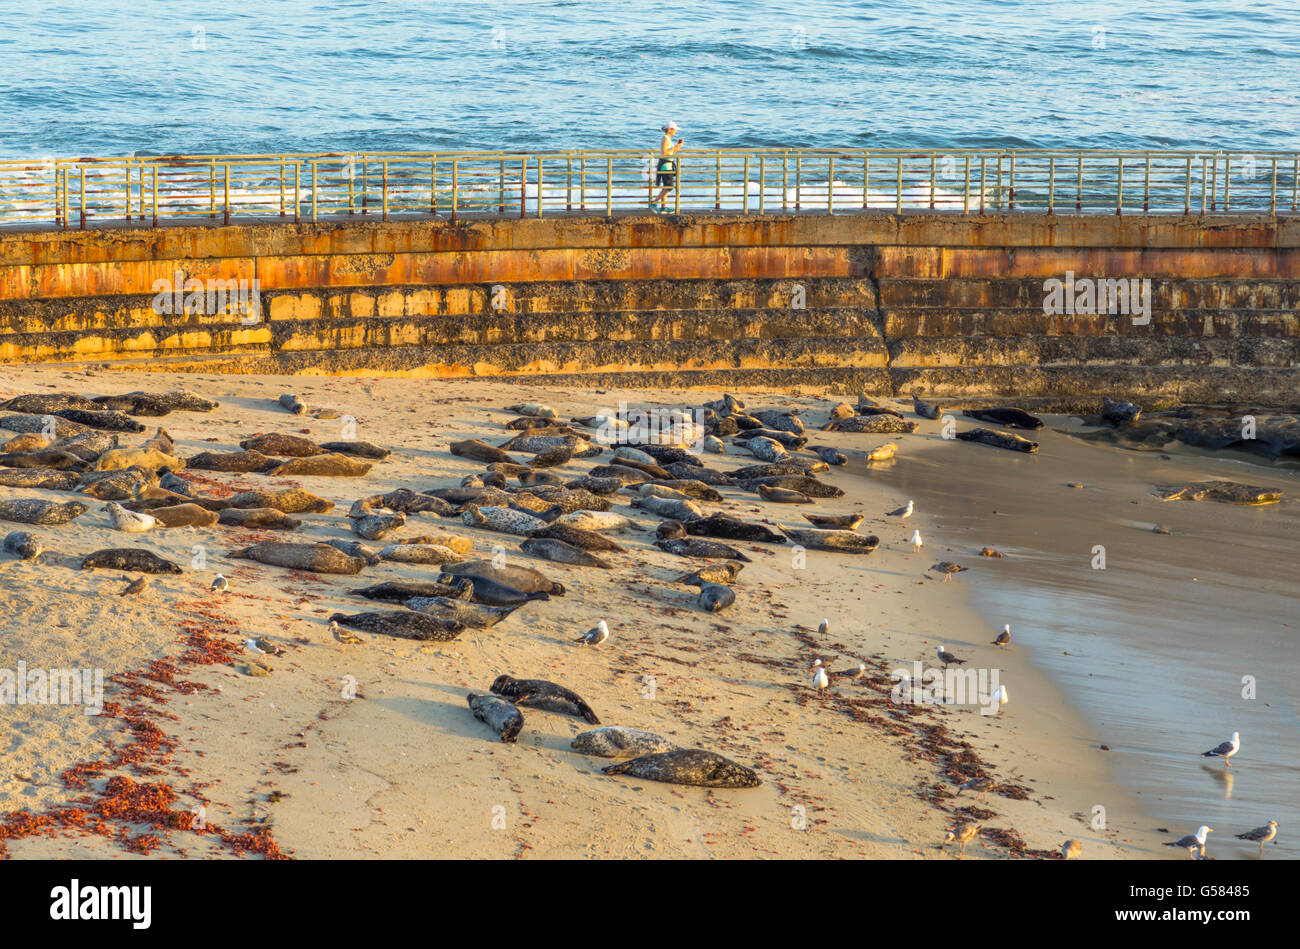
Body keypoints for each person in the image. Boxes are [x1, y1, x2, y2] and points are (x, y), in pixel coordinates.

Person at [652, 121, 684, 212]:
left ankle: (663, 207)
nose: (675, 132)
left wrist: (678, 146)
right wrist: (676, 146)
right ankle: (654, 202)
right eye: (674, 130)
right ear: (670, 130)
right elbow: (665, 153)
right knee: (669, 187)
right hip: (665, 166)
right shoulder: (665, 139)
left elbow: (671, 152)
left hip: (668, 165)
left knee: (666, 186)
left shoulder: (668, 139)